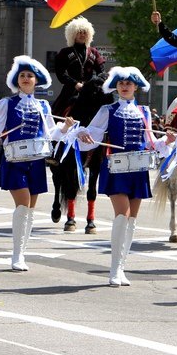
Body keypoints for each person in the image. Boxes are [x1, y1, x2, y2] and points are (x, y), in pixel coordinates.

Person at [77, 67, 176, 286]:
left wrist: (166, 142)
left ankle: (122, 267)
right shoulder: (107, 110)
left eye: (128, 83)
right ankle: (114, 268)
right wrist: (83, 135)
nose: (124, 86)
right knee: (122, 215)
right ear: (116, 86)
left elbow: (150, 142)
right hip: (117, 167)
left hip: (139, 168)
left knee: (132, 219)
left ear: (135, 87)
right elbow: (93, 135)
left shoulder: (144, 112)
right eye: (121, 83)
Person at [0, 56, 70, 271]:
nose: (26, 78)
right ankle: (16, 255)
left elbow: (50, 133)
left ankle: (21, 253)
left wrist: (64, 128)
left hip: (36, 161)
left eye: (30, 76)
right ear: (17, 81)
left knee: (30, 210)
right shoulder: (6, 103)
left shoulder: (43, 106)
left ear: (36, 81)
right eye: (22, 76)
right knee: (23, 204)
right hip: (14, 160)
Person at [50, 16, 106, 231]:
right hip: (71, 93)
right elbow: (61, 74)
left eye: (85, 32)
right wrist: (76, 85)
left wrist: (94, 84)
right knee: (59, 114)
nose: (82, 35)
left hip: (92, 93)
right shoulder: (65, 53)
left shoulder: (95, 53)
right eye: (79, 32)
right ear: (72, 34)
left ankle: (104, 149)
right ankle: (55, 152)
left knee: (103, 117)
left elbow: (102, 72)